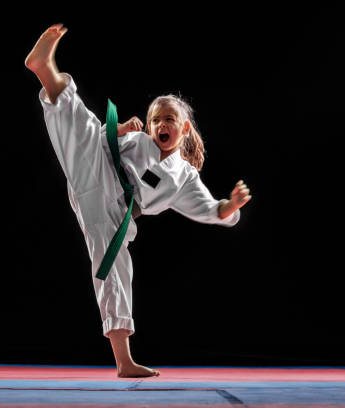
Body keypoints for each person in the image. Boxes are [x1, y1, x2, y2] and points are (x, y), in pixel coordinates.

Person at [25, 23, 252, 378]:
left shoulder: (184, 178)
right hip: (98, 173)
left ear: (184, 128)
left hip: (112, 211)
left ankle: (124, 361)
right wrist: (119, 130)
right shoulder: (140, 141)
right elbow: (98, 140)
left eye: (169, 120)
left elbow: (212, 210)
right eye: (155, 119)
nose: (161, 124)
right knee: (82, 124)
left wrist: (233, 205)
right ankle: (44, 68)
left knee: (114, 273)